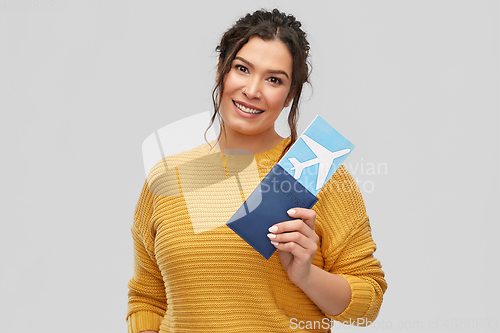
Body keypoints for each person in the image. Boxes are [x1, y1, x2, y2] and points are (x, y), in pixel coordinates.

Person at [127, 9, 387, 333]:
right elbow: (147, 298)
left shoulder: (318, 174)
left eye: (274, 79)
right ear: (221, 70)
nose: (252, 90)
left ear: (290, 94)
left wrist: (306, 275)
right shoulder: (166, 177)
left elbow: (369, 302)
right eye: (242, 69)